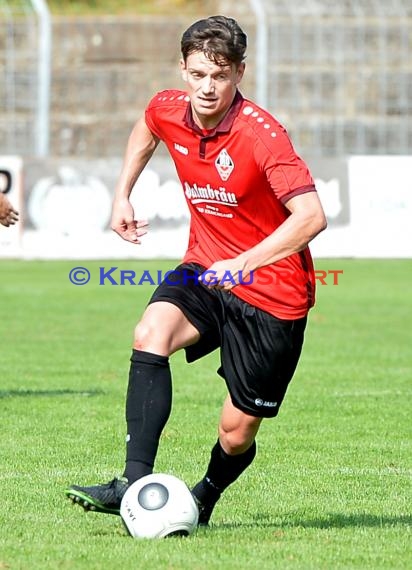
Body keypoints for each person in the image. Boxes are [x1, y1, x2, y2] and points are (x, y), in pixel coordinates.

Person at [65, 15, 327, 526]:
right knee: (150, 332)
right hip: (206, 268)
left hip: (274, 294)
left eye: (220, 76)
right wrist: (123, 194)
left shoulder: (262, 136)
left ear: (240, 74)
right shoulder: (169, 107)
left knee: (236, 431)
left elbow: (312, 216)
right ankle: (133, 483)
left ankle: (202, 499)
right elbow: (148, 124)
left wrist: (246, 263)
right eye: (198, 74)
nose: (208, 87)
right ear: (183, 69)